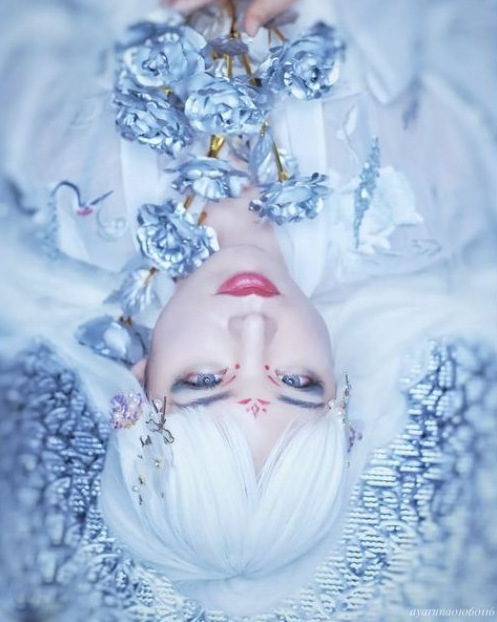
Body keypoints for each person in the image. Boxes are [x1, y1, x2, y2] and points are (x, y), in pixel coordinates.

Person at [0, 0, 496, 620]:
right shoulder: (427, 208)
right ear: (342, 388)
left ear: (139, 382)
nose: (255, 326)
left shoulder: (61, 200)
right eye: (299, 383)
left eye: (204, 380)